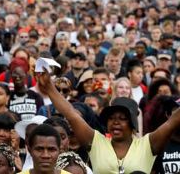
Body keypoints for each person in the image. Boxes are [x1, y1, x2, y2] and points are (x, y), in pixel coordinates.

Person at [36, 69, 180, 173]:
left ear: (133, 123)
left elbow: (172, 121)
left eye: (122, 119)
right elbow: (71, 114)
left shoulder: (147, 144)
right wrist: (49, 87)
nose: (115, 122)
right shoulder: (96, 141)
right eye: (111, 118)